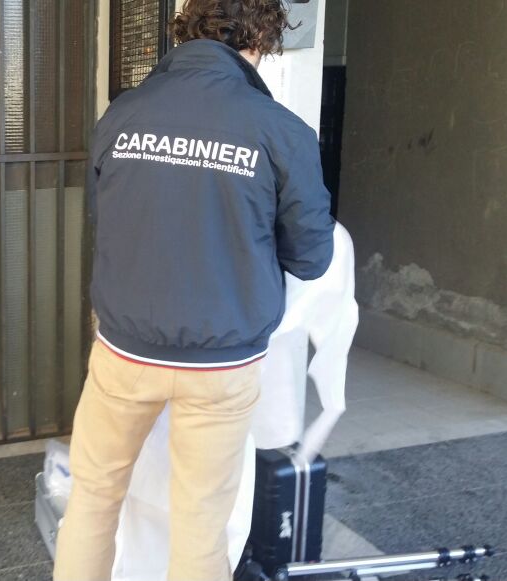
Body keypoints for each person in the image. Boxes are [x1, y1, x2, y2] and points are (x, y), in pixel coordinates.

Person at [53, 1, 335, 580]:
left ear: (187, 29)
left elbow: (105, 218)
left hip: (124, 352)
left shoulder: (124, 113)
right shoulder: (281, 130)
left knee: (94, 498)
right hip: (222, 364)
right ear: (261, 39)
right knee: (202, 523)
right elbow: (312, 258)